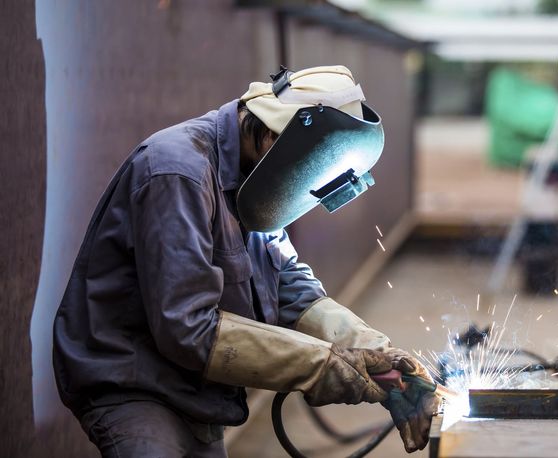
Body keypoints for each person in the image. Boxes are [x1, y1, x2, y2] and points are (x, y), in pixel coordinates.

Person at [53, 65, 439, 457]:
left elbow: (291, 288)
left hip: (196, 387)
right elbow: (189, 329)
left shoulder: (254, 187)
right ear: (274, 137)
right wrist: (328, 366)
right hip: (133, 383)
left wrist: (378, 352)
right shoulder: (177, 173)